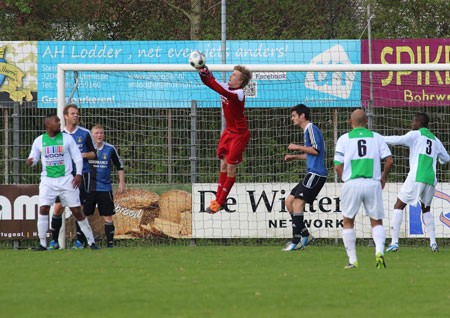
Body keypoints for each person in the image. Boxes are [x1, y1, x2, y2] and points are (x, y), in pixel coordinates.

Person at [26, 114, 99, 250]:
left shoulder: (67, 139)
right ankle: (42, 244)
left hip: (66, 180)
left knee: (77, 211)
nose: (59, 125)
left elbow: (77, 157)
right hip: (48, 181)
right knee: (43, 208)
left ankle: (91, 242)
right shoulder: (39, 140)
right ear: (48, 125)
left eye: (59, 122)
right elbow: (34, 157)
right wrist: (31, 161)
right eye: (56, 122)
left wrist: (78, 174)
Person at [334, 109, 393, 269]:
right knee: (376, 221)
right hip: (372, 183)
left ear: (350, 122)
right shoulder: (377, 137)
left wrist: (345, 178)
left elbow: (337, 165)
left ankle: (353, 260)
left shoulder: (344, 139)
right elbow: (389, 160)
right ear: (366, 121)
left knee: (348, 220)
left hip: (352, 183)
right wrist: (383, 178)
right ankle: (379, 252)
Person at [384, 112, 450, 253]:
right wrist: (439, 160)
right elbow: (446, 158)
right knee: (426, 209)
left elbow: (398, 139)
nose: (412, 124)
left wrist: (379, 138)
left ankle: (394, 242)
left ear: (419, 123)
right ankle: (433, 243)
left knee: (399, 205)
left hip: (416, 176)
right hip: (431, 179)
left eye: (413, 122)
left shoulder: (415, 134)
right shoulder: (436, 140)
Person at [196, 64, 252, 214]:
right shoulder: (227, 87)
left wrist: (207, 72)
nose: (230, 76)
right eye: (231, 74)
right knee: (223, 167)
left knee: (231, 168)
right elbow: (209, 83)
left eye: (234, 75)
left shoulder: (239, 93)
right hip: (229, 132)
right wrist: (202, 72)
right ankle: (217, 200)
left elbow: (218, 88)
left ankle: (220, 202)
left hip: (239, 135)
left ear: (240, 82)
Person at [50, 103, 97, 250]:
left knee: (79, 208)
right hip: (63, 177)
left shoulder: (84, 133)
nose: (76, 115)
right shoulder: (59, 136)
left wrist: (80, 155)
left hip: (82, 174)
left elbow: (94, 153)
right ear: (65, 116)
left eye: (77, 113)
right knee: (58, 208)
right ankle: (54, 241)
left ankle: (80, 242)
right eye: (73, 113)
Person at [282, 104, 328, 251]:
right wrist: (294, 156)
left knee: (297, 204)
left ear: (302, 116)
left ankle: (295, 240)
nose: (292, 118)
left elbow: (316, 150)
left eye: (294, 115)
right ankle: (305, 234)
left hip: (316, 174)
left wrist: (297, 147)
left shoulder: (311, 129)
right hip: (311, 173)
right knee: (289, 201)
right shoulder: (306, 131)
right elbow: (311, 154)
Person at [84, 124, 125, 248]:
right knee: (83, 214)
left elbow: (120, 166)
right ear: (91, 135)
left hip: (104, 188)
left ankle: (110, 244)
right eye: (96, 133)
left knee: (108, 216)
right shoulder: (86, 149)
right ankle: (82, 242)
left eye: (101, 133)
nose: (99, 135)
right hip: (88, 188)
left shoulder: (110, 148)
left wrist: (121, 183)